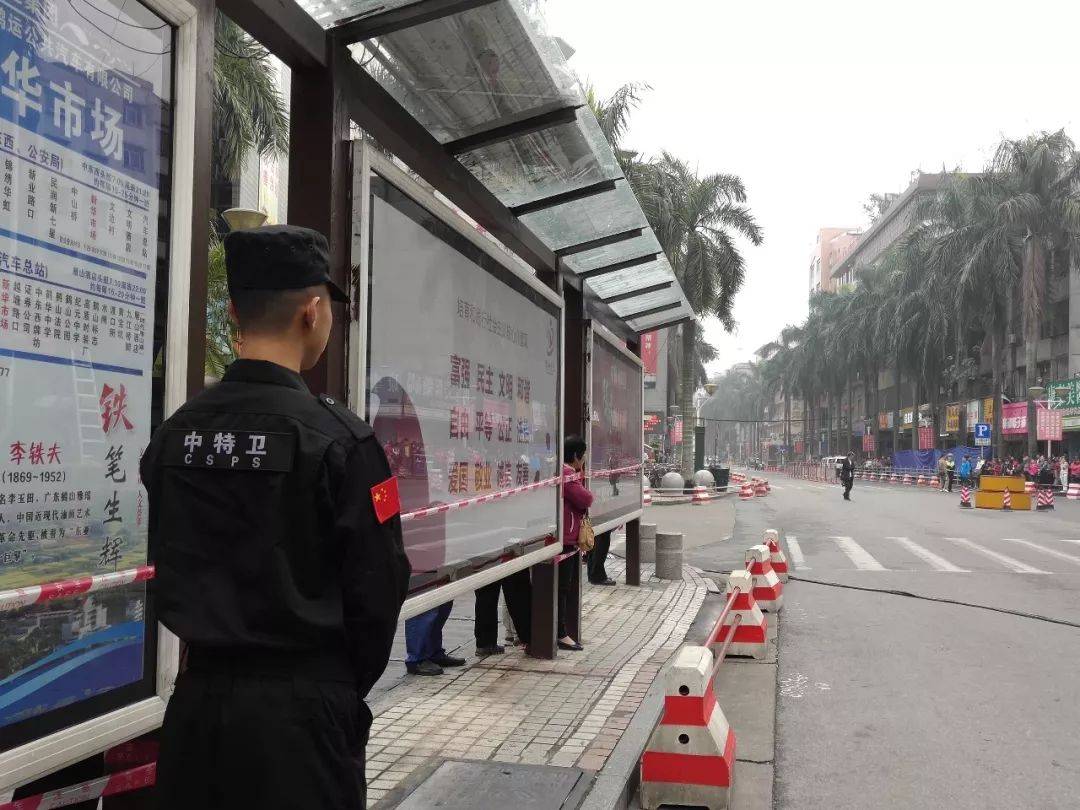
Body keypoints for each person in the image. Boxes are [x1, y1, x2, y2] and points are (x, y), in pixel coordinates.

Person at [141, 225, 411, 810]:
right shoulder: (344, 443)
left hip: (199, 711)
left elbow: (164, 558)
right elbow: (380, 593)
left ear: (235, 310)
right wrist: (329, 689)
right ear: (313, 312)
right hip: (303, 727)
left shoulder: (174, 436)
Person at [559, 435, 593, 651]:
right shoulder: (567, 474)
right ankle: (560, 633)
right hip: (566, 538)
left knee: (564, 587)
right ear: (575, 455)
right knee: (562, 588)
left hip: (565, 536)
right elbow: (586, 499)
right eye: (583, 456)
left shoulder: (565, 473)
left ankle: (560, 631)